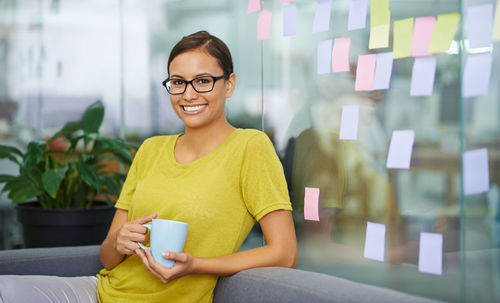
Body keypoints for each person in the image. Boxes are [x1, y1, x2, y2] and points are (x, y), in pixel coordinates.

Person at [97, 30, 297, 302]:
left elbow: (285, 254)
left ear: (229, 85)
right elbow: (108, 259)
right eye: (178, 82)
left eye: (203, 81)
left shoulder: (250, 147)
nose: (188, 95)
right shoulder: (150, 150)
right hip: (100, 293)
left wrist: (196, 265)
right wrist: (119, 240)